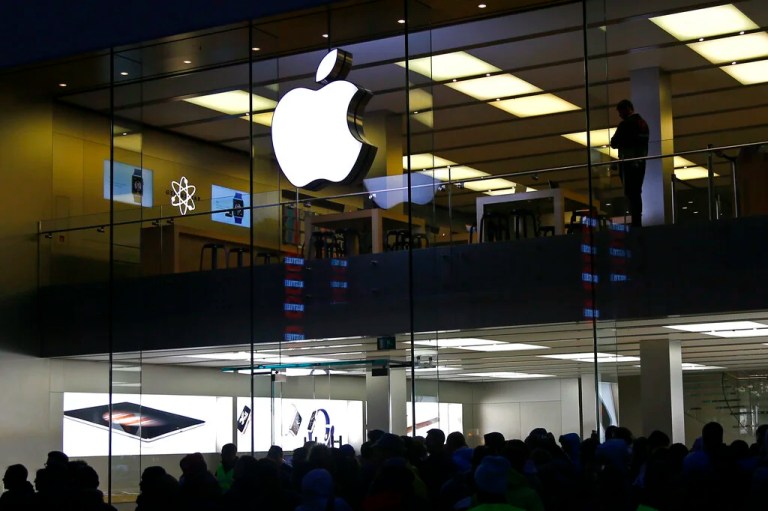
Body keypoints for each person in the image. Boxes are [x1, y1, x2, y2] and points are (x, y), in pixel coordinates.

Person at [610, 99, 649, 228]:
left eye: (620, 112)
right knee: (637, 192)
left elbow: (614, 143)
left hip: (628, 162)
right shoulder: (643, 123)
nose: (620, 115)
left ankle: (635, 222)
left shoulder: (625, 125)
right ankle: (638, 220)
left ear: (627, 109)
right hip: (640, 162)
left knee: (630, 192)